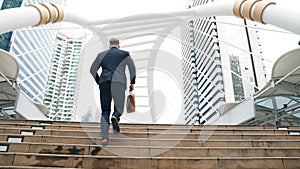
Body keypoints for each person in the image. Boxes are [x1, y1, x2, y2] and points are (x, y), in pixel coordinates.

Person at [90, 38, 136, 146]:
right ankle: (116, 116)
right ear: (118, 45)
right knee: (119, 106)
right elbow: (132, 68)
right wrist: (132, 83)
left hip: (105, 83)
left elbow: (92, 69)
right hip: (119, 83)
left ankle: (105, 138)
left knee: (105, 111)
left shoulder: (101, 55)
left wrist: (99, 81)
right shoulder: (124, 54)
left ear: (109, 45)